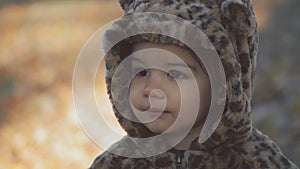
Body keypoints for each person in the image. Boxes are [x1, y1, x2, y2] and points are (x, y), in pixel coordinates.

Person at [89, 0, 298, 168]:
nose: (152, 89)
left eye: (175, 73)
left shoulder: (254, 160)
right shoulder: (119, 162)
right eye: (142, 72)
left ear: (223, 85)